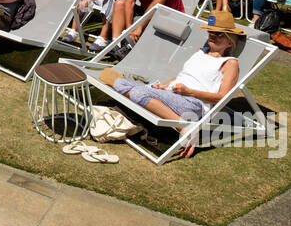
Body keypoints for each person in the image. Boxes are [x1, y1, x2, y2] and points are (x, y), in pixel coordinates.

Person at [96, 13, 244, 159]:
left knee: (138, 93)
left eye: (218, 34)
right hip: (173, 94)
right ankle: (149, 99)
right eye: (210, 31)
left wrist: (190, 92)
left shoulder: (230, 63)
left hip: (192, 103)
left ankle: (185, 127)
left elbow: (223, 98)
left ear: (229, 42)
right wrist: (165, 86)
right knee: (116, 80)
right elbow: (183, 75)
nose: (212, 35)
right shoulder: (200, 52)